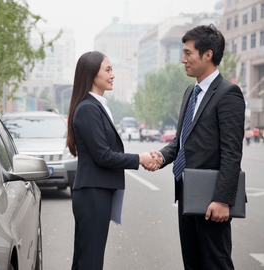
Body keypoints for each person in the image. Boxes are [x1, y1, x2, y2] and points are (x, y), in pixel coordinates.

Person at [147, 24, 245, 269]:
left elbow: (232, 152)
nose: (183, 60)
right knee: (192, 263)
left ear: (208, 54)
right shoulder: (191, 91)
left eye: (188, 53)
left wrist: (223, 200)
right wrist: (161, 155)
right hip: (187, 195)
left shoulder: (228, 93)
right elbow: (181, 141)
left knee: (216, 263)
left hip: (212, 199)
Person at [66, 51, 160, 270]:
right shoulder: (88, 108)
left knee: (86, 258)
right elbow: (103, 155)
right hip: (92, 194)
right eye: (107, 70)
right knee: (89, 260)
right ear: (91, 74)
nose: (113, 75)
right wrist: (140, 158)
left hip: (96, 192)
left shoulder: (96, 105)